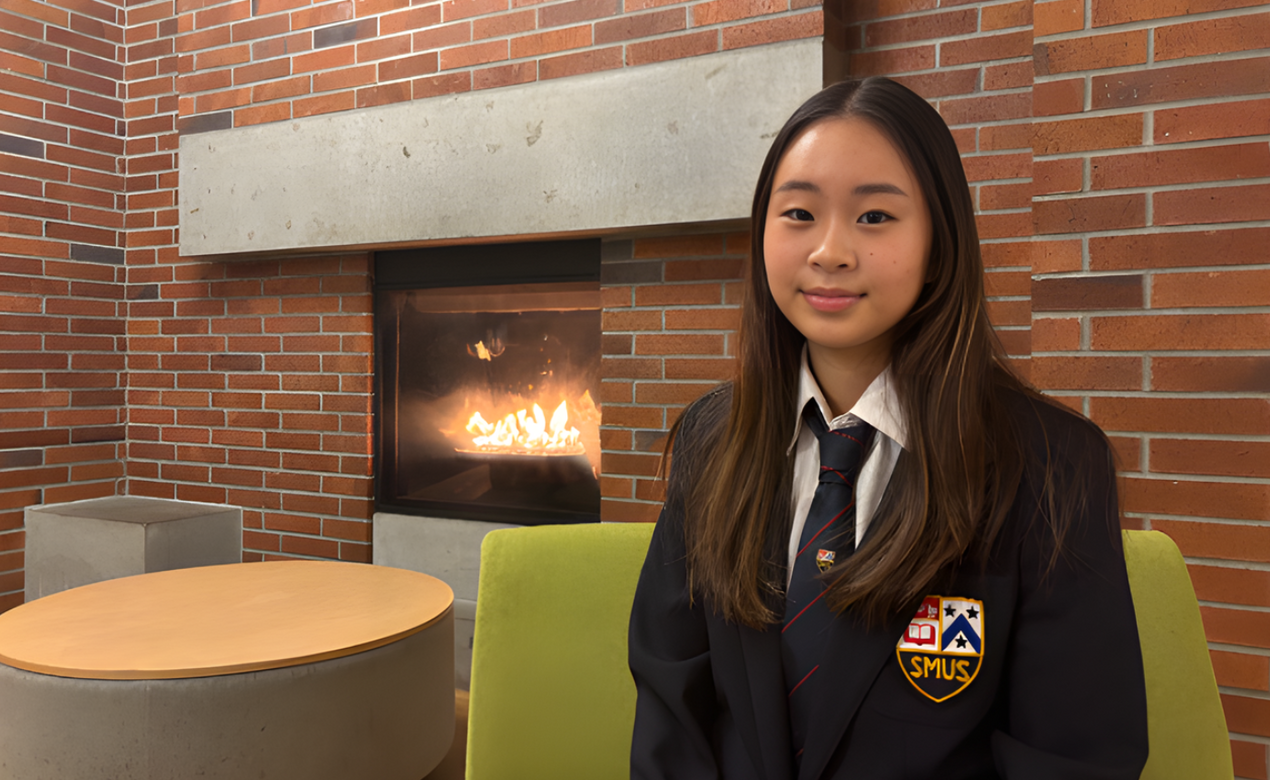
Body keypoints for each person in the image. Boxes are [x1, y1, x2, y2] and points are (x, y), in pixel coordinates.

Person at [627, 77, 1148, 780]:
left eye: (874, 217)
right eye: (799, 214)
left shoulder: (1052, 464)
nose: (831, 251)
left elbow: (1071, 756)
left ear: (940, 239)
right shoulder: (709, 438)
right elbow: (672, 709)